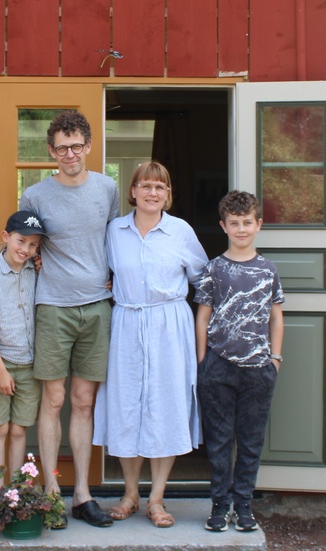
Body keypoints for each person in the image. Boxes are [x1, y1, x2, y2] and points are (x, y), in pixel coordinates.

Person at [93, 161, 208, 528]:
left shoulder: (181, 232)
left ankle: (157, 498)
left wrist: (203, 329)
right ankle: (130, 494)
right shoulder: (114, 231)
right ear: (133, 191)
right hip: (126, 322)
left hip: (169, 325)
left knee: (165, 405)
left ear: (168, 194)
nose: (152, 193)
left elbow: (204, 281)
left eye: (160, 187)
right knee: (127, 405)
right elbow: (99, 271)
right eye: (145, 185)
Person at [18, 111, 119, 528]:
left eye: (77, 146)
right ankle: (50, 494)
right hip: (54, 306)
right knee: (53, 400)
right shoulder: (36, 194)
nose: (70, 154)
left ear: (89, 146)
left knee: (83, 401)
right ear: (50, 151)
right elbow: (25, 243)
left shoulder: (107, 188)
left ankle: (82, 494)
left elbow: (117, 239)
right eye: (61, 147)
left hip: (98, 306)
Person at [194, 190, 284, 533]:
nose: (242, 229)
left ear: (258, 225)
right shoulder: (214, 269)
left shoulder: (267, 271)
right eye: (235, 223)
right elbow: (202, 317)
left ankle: (244, 504)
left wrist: (275, 359)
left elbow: (277, 317)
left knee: (250, 438)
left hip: (258, 367)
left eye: (248, 223)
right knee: (218, 439)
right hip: (218, 365)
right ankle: (220, 504)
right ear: (224, 226)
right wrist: (204, 361)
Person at [0, 210, 47, 479]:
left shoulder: (36, 271)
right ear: (6, 237)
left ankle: (16, 493)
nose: (25, 249)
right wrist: (0, 371)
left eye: (32, 245)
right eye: (20, 241)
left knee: (18, 429)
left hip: (29, 365)